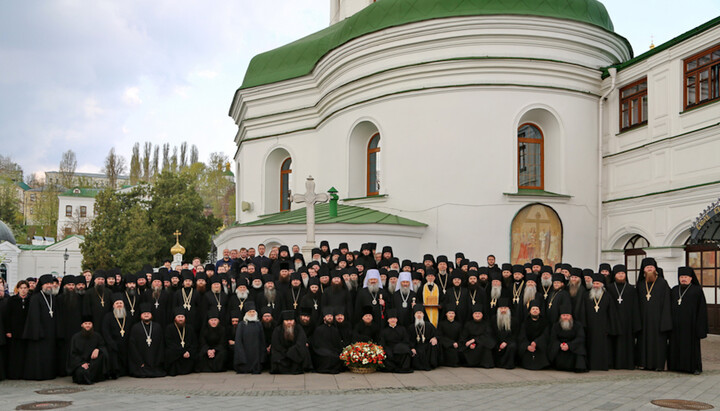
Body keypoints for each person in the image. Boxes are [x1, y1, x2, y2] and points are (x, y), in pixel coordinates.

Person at [668, 267, 708, 374]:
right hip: (676, 326)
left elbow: (702, 310)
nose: (683, 279)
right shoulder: (675, 290)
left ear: (691, 278)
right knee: (675, 346)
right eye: (681, 277)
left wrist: (700, 327)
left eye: (686, 277)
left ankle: (694, 368)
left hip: (691, 326)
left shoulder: (697, 290)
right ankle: (676, 366)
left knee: (691, 348)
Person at [635, 258, 672, 371]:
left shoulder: (662, 283)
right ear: (644, 270)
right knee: (643, 342)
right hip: (644, 320)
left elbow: (667, 303)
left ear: (655, 269)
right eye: (647, 267)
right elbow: (636, 304)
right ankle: (644, 363)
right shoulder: (640, 284)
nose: (650, 268)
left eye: (652, 267)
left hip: (658, 320)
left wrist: (665, 321)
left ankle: (658, 365)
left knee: (658, 343)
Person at [23, 274, 62, 380]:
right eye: (47, 284)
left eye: (51, 284)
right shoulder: (36, 298)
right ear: (41, 285)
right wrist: (38, 331)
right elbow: (34, 317)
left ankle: (50, 374)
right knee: (39, 355)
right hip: (40, 332)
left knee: (50, 354)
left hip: (51, 331)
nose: (49, 286)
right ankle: (39, 375)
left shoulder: (53, 297)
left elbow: (56, 314)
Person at [607, 264, 641, 370]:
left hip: (628, 321)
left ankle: (628, 364)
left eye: (622, 273)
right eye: (618, 274)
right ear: (615, 275)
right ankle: (614, 364)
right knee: (614, 343)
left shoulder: (631, 289)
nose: (621, 275)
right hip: (614, 320)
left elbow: (635, 306)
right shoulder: (609, 288)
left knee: (627, 344)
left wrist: (636, 323)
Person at [584, 273, 617, 371]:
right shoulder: (587, 295)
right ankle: (591, 365)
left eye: (598, 283)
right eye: (594, 283)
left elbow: (611, 313)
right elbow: (583, 311)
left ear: (602, 284)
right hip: (590, 326)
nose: (595, 285)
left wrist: (609, 327)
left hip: (603, 327)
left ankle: (602, 365)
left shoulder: (607, 296)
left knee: (602, 347)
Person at [128, 303, 166, 378]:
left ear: (151, 315)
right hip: (141, 363)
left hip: (155, 362)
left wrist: (158, 361)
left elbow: (161, 345)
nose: (146, 315)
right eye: (144, 313)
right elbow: (132, 345)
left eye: (148, 313)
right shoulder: (135, 327)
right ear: (140, 315)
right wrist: (139, 361)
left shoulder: (157, 327)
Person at [67, 316, 107, 385]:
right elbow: (73, 354)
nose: (88, 325)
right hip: (80, 364)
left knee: (102, 354)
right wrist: (81, 363)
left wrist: (98, 349)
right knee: (81, 373)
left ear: (92, 325)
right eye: (86, 323)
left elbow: (103, 346)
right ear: (82, 325)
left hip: (93, 364)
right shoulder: (75, 337)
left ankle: (88, 375)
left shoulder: (97, 336)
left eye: (89, 324)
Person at [4, 280, 30, 379]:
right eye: (21, 288)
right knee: (15, 354)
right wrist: (8, 330)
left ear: (28, 289)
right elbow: (7, 316)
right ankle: (14, 374)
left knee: (25, 353)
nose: (23, 290)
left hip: (26, 331)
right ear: (18, 289)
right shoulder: (12, 300)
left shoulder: (30, 300)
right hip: (14, 332)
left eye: (25, 288)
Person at [548, 308, 587, 372]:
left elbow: (580, 337)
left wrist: (569, 345)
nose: (565, 317)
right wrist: (560, 345)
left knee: (580, 347)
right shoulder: (556, 326)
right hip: (560, 347)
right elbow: (553, 338)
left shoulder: (578, 325)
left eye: (567, 315)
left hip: (573, 347)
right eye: (563, 315)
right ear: (560, 316)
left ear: (571, 316)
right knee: (553, 346)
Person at [102, 295, 131, 379]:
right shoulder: (108, 316)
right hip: (113, 342)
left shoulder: (128, 316)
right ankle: (115, 372)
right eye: (117, 303)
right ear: (113, 306)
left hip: (126, 342)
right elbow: (105, 331)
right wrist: (111, 342)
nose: (119, 305)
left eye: (120, 303)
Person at [234, 302, 266, 374]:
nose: (252, 313)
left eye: (253, 312)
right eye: (250, 312)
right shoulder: (241, 325)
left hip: (256, 351)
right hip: (245, 350)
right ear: (246, 313)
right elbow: (238, 340)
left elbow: (262, 339)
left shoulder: (258, 324)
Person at [310, 307, 344, 374]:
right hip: (321, 351)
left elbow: (338, 344)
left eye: (331, 316)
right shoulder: (319, 329)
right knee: (328, 356)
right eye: (328, 316)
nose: (329, 317)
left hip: (333, 351)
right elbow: (316, 345)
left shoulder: (335, 330)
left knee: (335, 356)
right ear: (324, 318)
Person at [165, 308, 198, 376]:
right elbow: (169, 343)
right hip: (176, 352)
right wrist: (182, 352)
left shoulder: (189, 328)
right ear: (175, 318)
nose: (180, 319)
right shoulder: (169, 328)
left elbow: (194, 342)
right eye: (178, 317)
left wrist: (188, 351)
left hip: (187, 352)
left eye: (182, 317)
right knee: (169, 352)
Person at [518, 300, 549, 370]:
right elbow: (522, 336)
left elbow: (545, 335)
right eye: (533, 309)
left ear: (540, 311)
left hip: (540, 345)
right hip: (528, 346)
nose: (535, 311)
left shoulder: (545, 322)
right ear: (530, 311)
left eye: (537, 309)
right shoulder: (525, 323)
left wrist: (536, 342)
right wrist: (527, 346)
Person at [408, 305, 439, 371]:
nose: (419, 315)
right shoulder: (411, 327)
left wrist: (435, 338)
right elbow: (408, 339)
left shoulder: (429, 325)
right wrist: (412, 347)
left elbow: (437, 334)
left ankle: (432, 364)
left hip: (427, 345)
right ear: (414, 315)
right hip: (416, 346)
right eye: (417, 313)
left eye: (420, 313)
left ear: (423, 315)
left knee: (433, 345)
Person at [196, 308, 227, 372]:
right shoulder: (204, 330)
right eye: (211, 320)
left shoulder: (222, 329)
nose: (213, 322)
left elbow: (222, 343)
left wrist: (214, 350)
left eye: (215, 320)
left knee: (222, 354)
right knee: (201, 354)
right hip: (207, 349)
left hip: (218, 349)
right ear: (208, 321)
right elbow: (202, 342)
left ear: (218, 321)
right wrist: (208, 350)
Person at [492, 298, 518, 369]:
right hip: (497, 341)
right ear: (498, 309)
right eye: (501, 308)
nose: (503, 310)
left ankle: (508, 364)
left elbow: (515, 334)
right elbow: (492, 333)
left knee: (512, 346)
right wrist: (499, 343)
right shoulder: (493, 319)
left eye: (505, 308)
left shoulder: (514, 320)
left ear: (508, 309)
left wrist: (506, 342)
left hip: (509, 341)